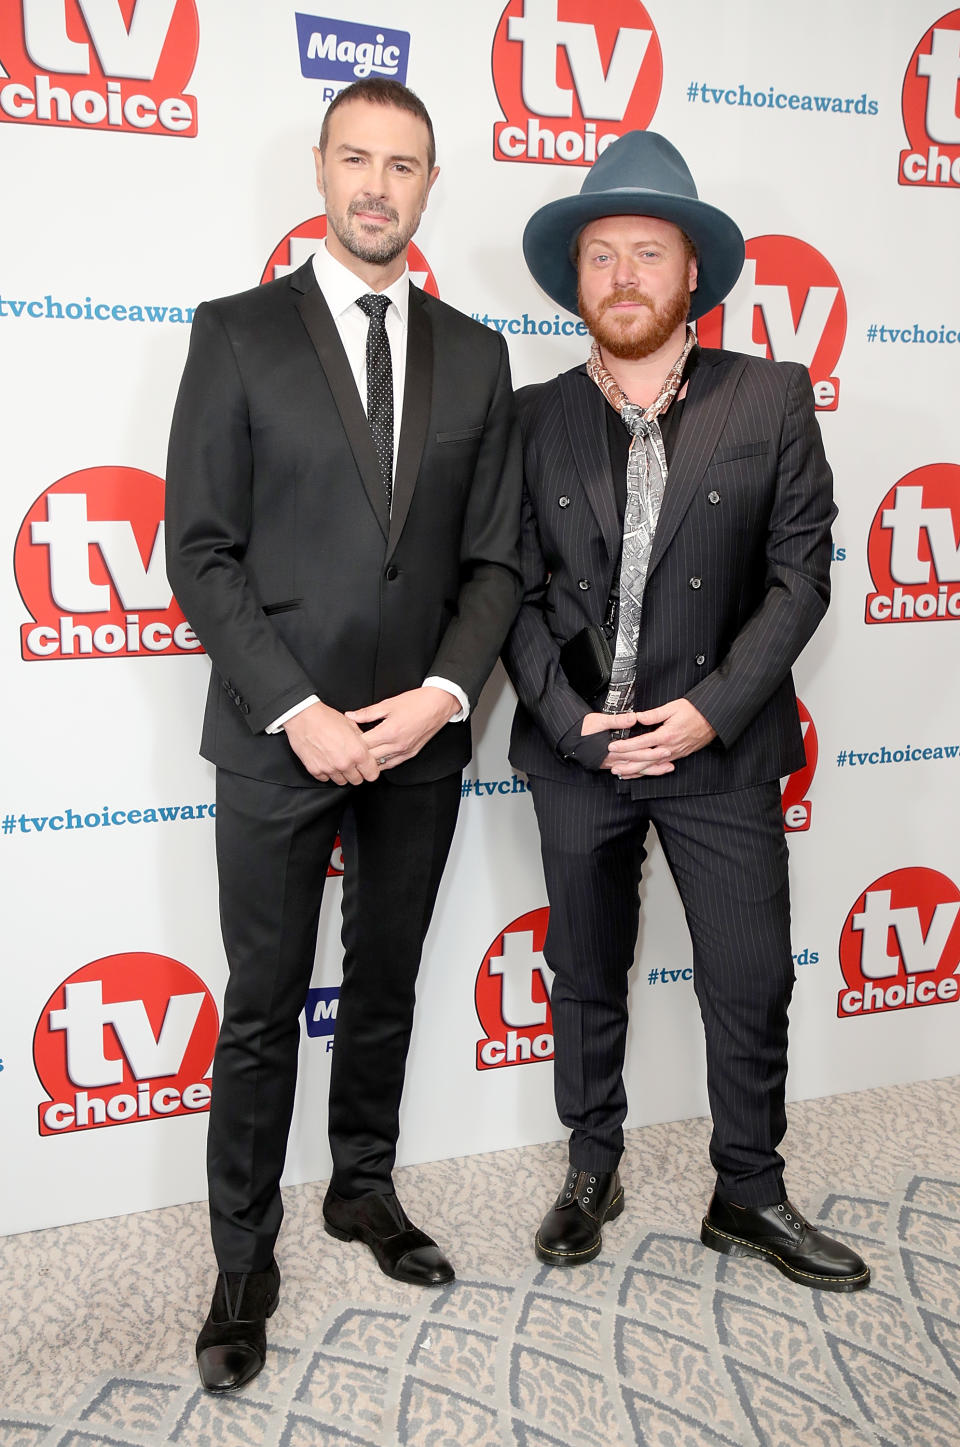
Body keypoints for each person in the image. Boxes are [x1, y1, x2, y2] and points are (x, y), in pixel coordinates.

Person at [165, 77, 521, 1392]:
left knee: (384, 980)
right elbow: (197, 549)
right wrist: (299, 708)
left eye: (407, 165)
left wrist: (439, 695)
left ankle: (359, 1188)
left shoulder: (478, 356)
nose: (380, 184)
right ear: (321, 171)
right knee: (262, 1002)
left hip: (420, 736)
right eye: (358, 159)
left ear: (432, 188)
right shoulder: (237, 333)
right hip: (276, 736)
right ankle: (241, 1253)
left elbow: (495, 562)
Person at [501, 130, 869, 1293]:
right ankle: (591, 1166)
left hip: (721, 745)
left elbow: (803, 574)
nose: (621, 275)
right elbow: (505, 586)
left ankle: (748, 1191)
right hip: (578, 750)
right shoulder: (530, 415)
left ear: (691, 273)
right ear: (576, 278)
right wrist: (566, 721)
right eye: (600, 254)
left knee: (751, 973)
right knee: (588, 968)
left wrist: (709, 712)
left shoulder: (769, 396)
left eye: (645, 253)